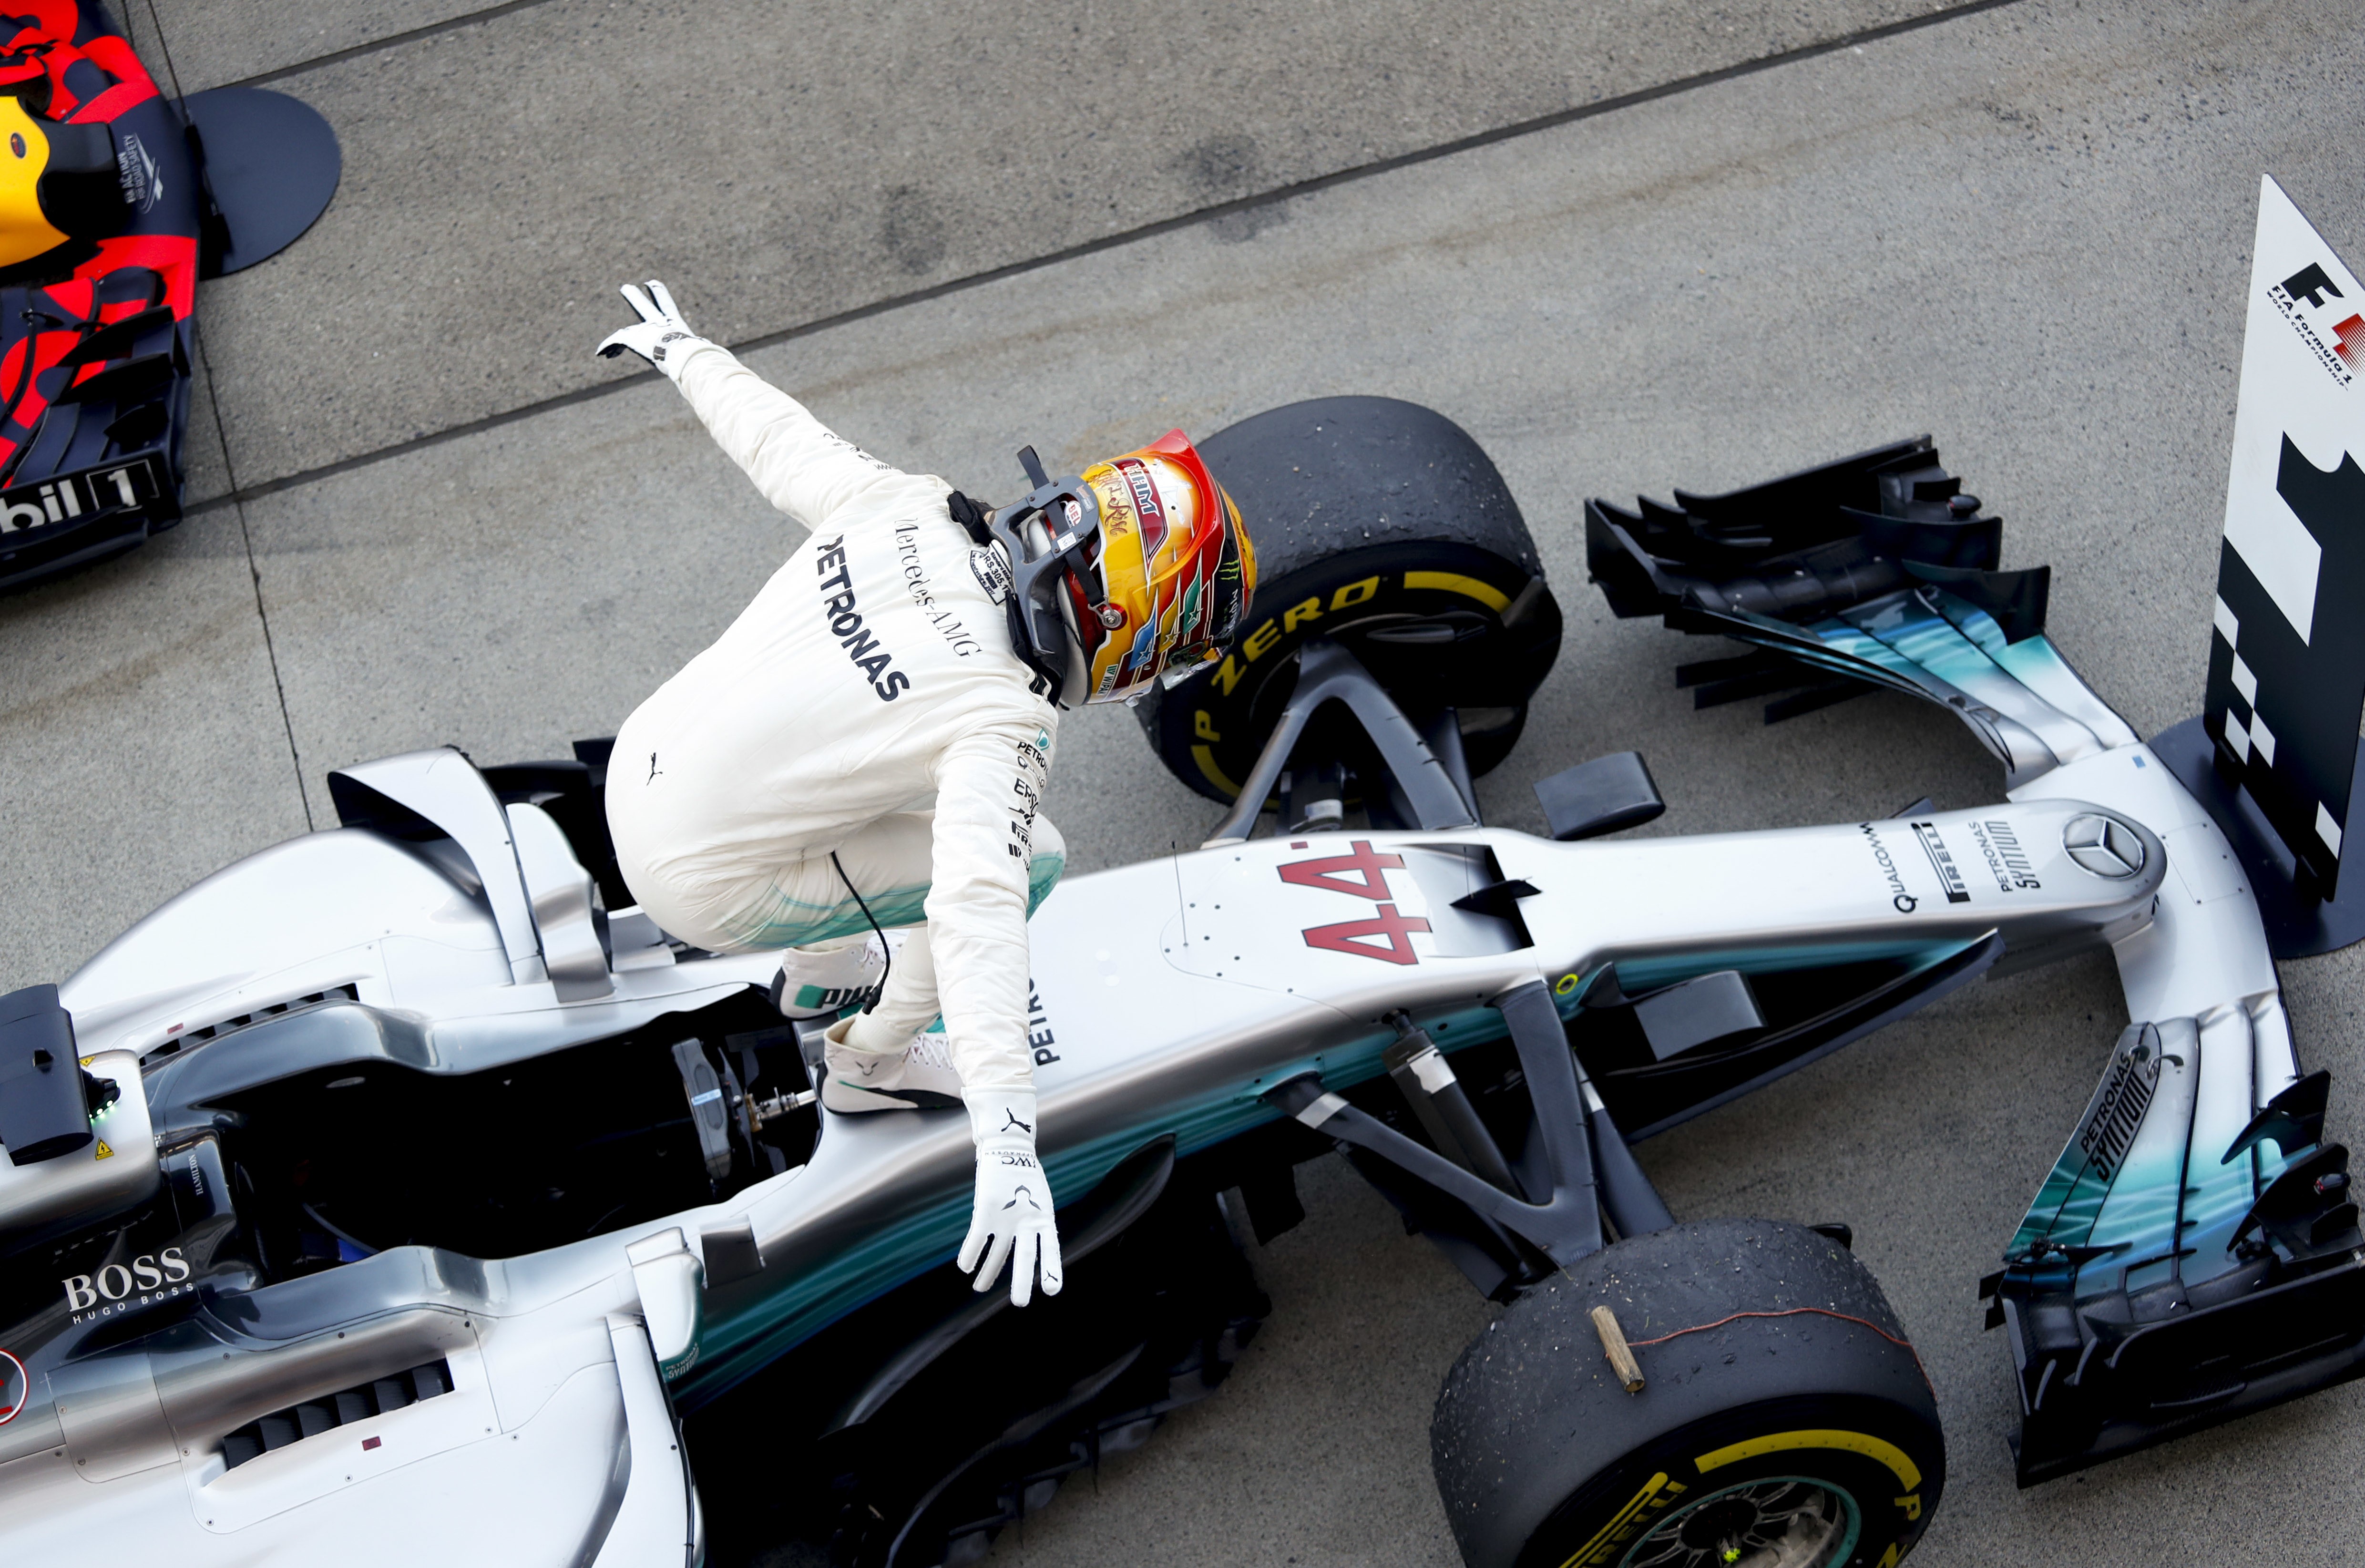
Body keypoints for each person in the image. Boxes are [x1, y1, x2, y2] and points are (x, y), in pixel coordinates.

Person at [593, 281, 1255, 1305]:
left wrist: (687, 352)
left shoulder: (916, 510)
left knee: (866, 762)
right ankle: (870, 1062)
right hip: (697, 879)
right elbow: (980, 910)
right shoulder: (1004, 714)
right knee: (1031, 858)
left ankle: (822, 974)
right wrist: (1008, 1138)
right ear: (1134, 631)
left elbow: (785, 444)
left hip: (645, 759)